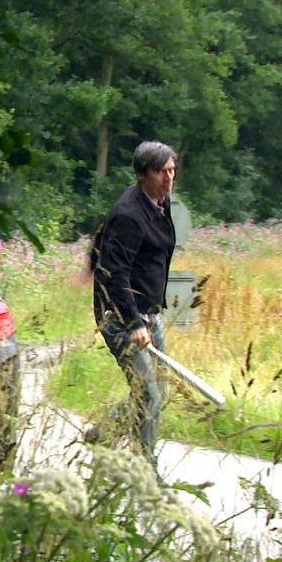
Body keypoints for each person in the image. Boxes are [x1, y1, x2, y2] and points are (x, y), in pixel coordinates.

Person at [89, 141, 177, 469]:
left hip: (150, 313)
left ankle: (103, 433)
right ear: (142, 175)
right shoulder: (129, 214)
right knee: (148, 394)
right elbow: (114, 273)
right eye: (161, 172)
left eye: (172, 170)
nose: (169, 178)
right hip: (121, 317)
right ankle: (145, 473)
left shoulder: (159, 202)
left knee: (158, 392)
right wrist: (134, 323)